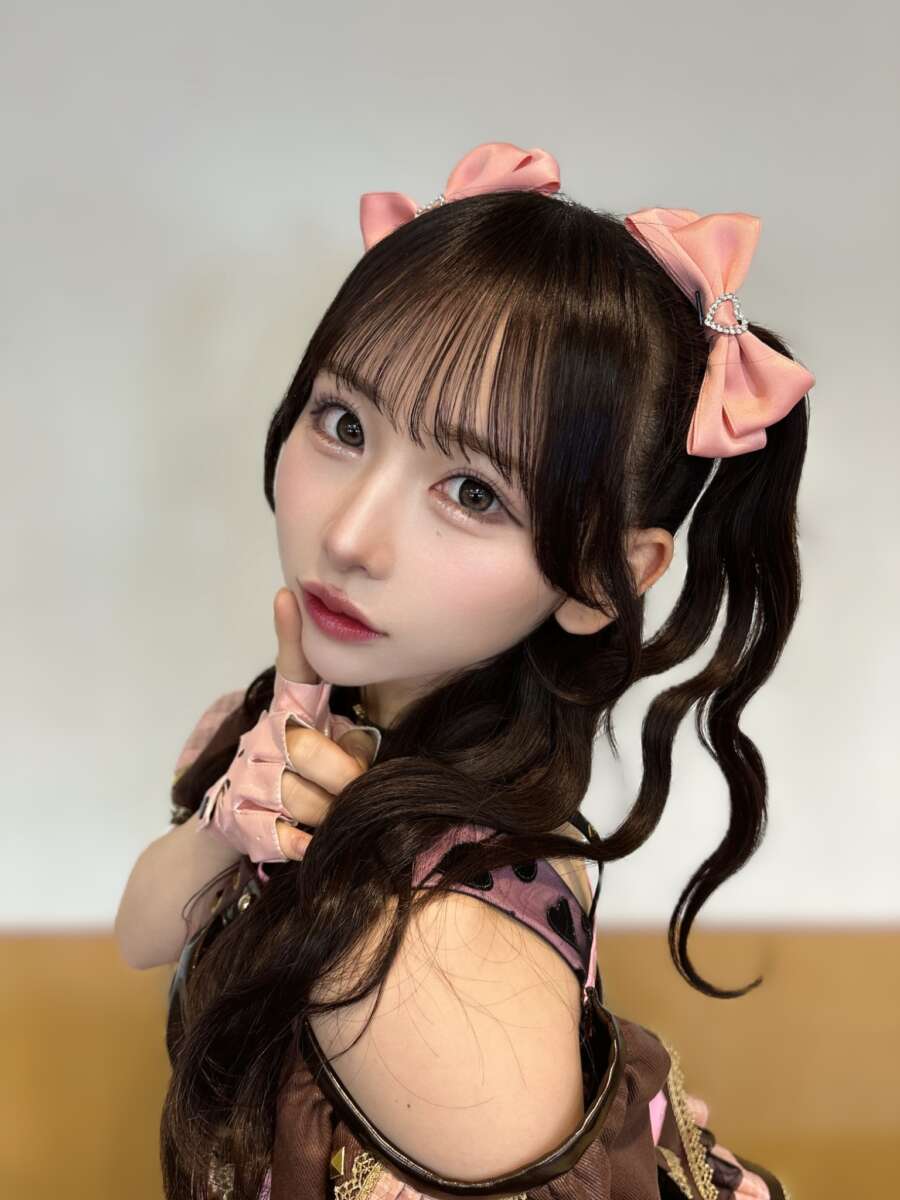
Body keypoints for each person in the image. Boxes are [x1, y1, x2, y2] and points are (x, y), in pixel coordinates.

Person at [115, 141, 813, 1200]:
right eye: (343, 424)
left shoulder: (439, 952)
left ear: (605, 578)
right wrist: (233, 817)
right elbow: (140, 933)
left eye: (474, 493)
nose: (348, 537)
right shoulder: (280, 728)